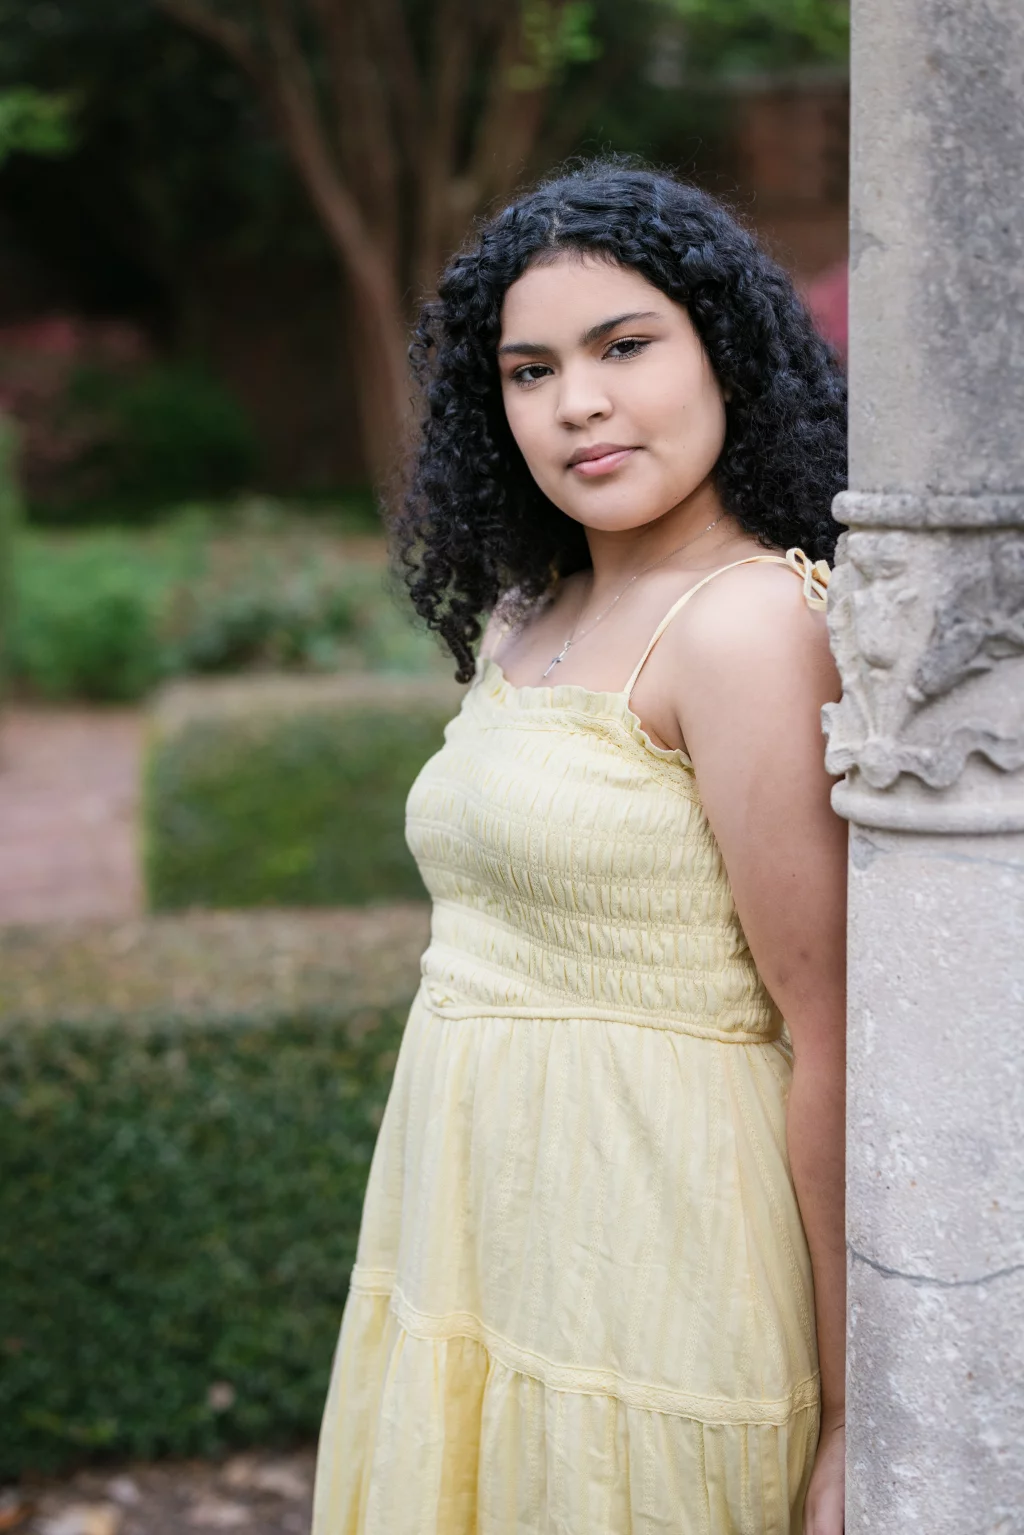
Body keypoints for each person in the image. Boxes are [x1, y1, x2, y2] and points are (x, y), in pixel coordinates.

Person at [311, 161, 848, 1535]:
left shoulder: (745, 628)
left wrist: (858, 1408)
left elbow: (835, 1031)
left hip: (657, 1253)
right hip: (477, 1233)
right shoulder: (522, 614)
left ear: (723, 349)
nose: (578, 403)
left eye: (625, 346)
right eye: (530, 369)